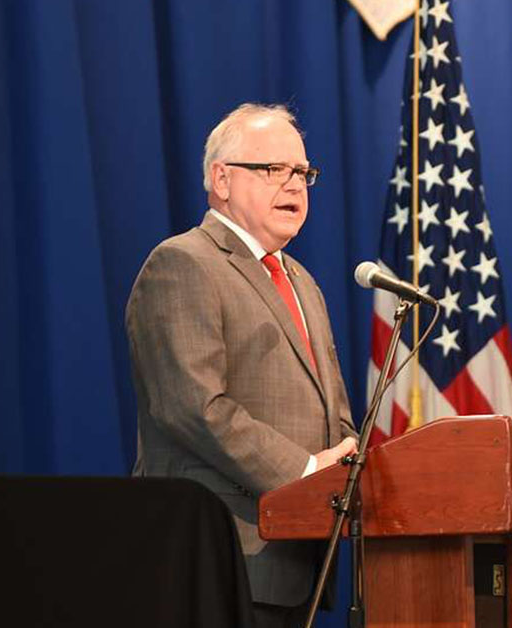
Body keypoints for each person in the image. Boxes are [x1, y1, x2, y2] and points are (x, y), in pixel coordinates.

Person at [126, 103, 357, 627]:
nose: (295, 185)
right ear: (222, 179)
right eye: (274, 169)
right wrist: (302, 473)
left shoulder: (301, 281)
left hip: (298, 557)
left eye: (302, 172)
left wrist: (343, 465)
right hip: (217, 555)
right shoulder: (183, 264)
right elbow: (193, 407)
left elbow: (333, 410)